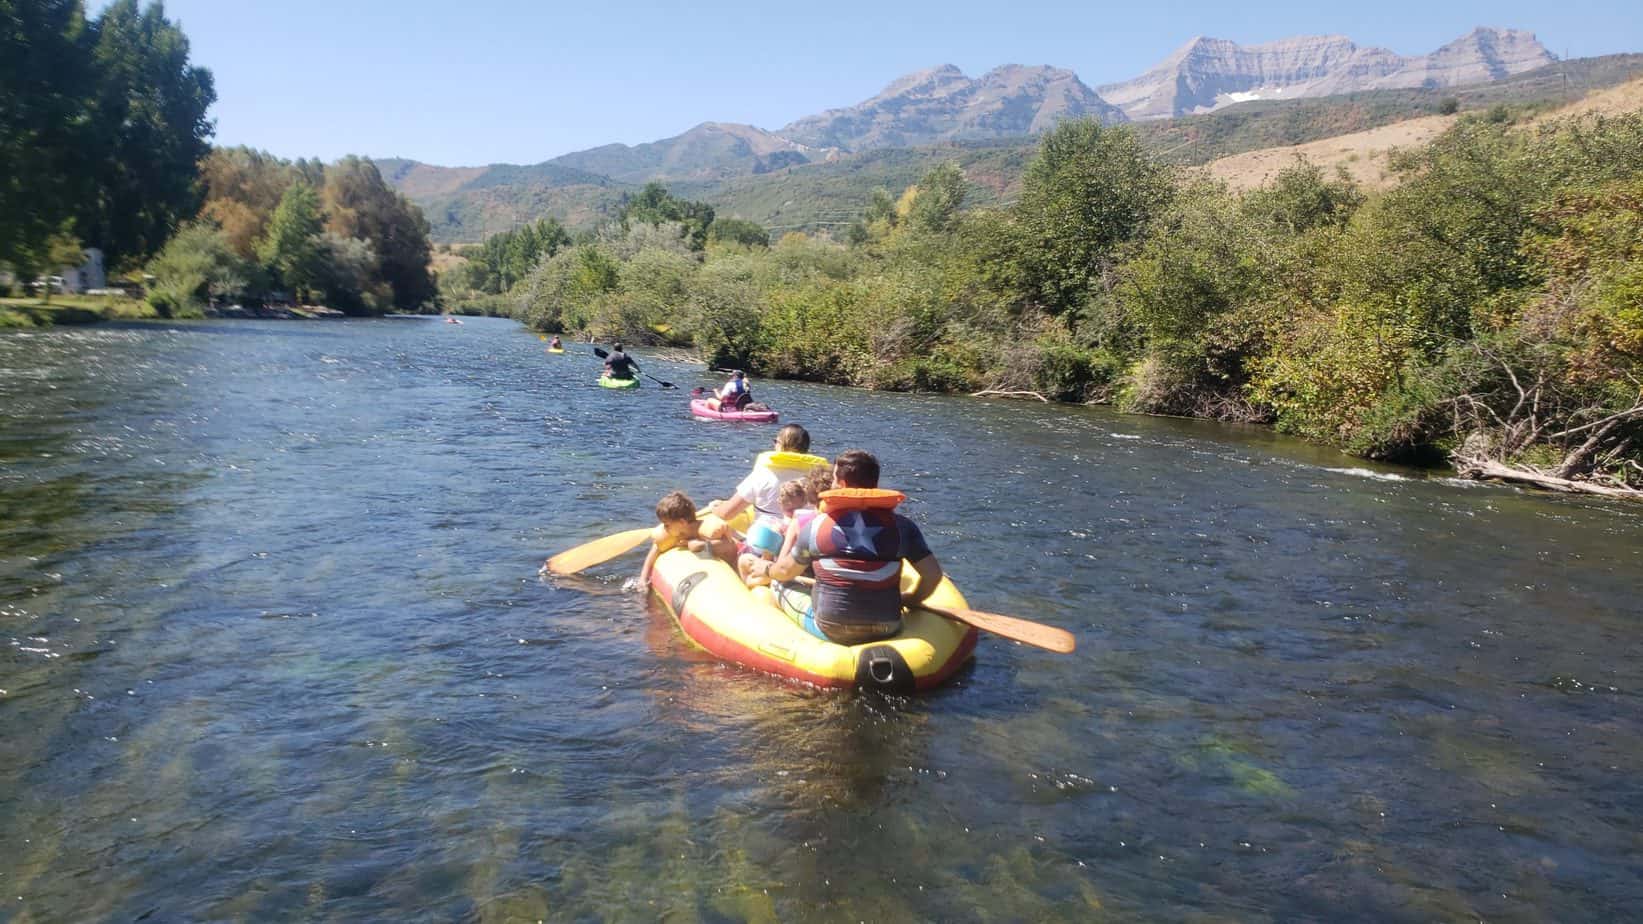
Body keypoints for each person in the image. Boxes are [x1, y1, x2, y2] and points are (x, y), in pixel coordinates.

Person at [762, 450, 943, 645]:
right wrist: (912, 600)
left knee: (777, 583)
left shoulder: (816, 526)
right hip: (887, 626)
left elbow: (784, 571)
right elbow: (933, 576)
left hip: (830, 626)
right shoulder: (903, 527)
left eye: (833, 480)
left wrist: (764, 568)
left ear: (841, 484)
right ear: (874, 483)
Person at [706, 424, 826, 526]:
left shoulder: (763, 474)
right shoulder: (818, 478)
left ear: (781, 444)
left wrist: (714, 508)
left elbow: (727, 514)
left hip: (766, 540)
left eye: (776, 441)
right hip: (801, 539)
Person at [637, 491, 732, 588]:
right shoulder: (675, 534)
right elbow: (655, 549)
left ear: (682, 522)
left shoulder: (705, 530)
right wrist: (643, 578)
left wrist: (703, 545)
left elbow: (729, 545)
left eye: (667, 525)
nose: (664, 528)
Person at [741, 480, 807, 587]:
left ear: (780, 502)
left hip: (778, 573)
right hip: (799, 570)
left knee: (743, 559)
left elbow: (767, 558)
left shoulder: (778, 528)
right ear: (804, 502)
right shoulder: (808, 523)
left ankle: (747, 587)